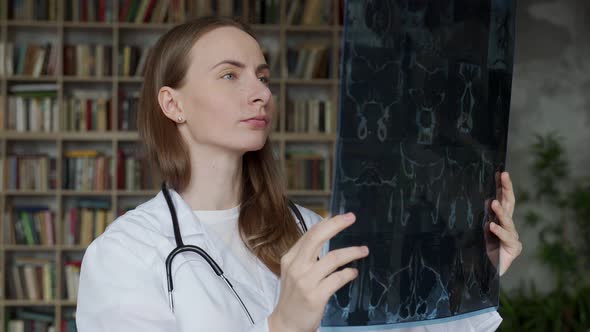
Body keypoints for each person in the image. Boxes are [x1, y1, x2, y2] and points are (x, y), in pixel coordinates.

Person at [76, 17, 523, 332]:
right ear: (172, 104)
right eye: (230, 75)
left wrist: (476, 274)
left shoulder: (312, 232)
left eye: (262, 76)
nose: (260, 93)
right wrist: (281, 327)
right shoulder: (125, 254)